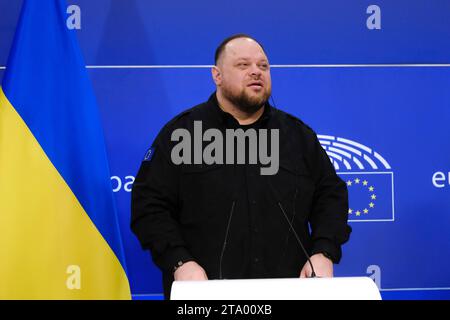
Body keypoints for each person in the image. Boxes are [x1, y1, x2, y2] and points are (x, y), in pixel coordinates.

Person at [131, 34, 352, 299]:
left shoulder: (297, 136)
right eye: (243, 65)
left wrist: (323, 252)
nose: (256, 72)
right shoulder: (181, 134)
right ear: (217, 75)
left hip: (290, 291)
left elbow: (331, 196)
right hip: (206, 294)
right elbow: (149, 206)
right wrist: (179, 261)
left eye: (263, 66)